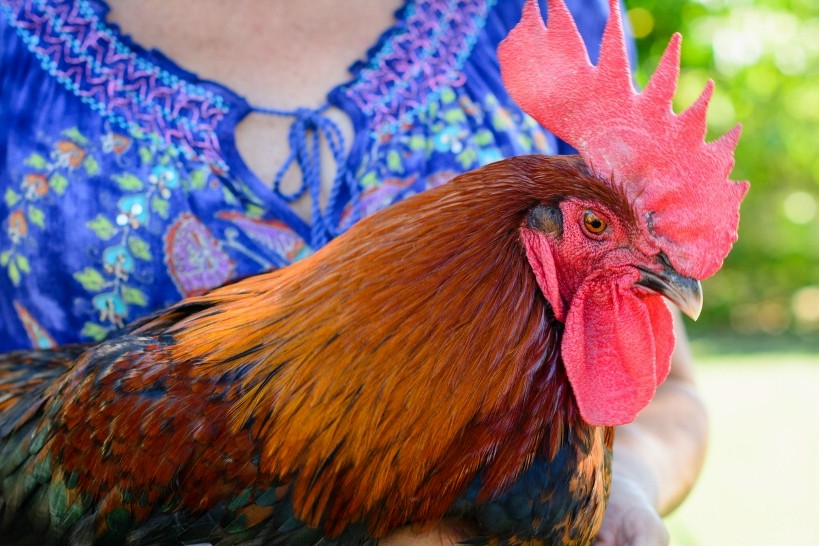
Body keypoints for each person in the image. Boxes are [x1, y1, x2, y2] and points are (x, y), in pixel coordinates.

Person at [0, 0, 707, 544]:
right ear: (539, 229)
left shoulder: (545, 12)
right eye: (593, 227)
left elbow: (671, 393)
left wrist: (627, 487)